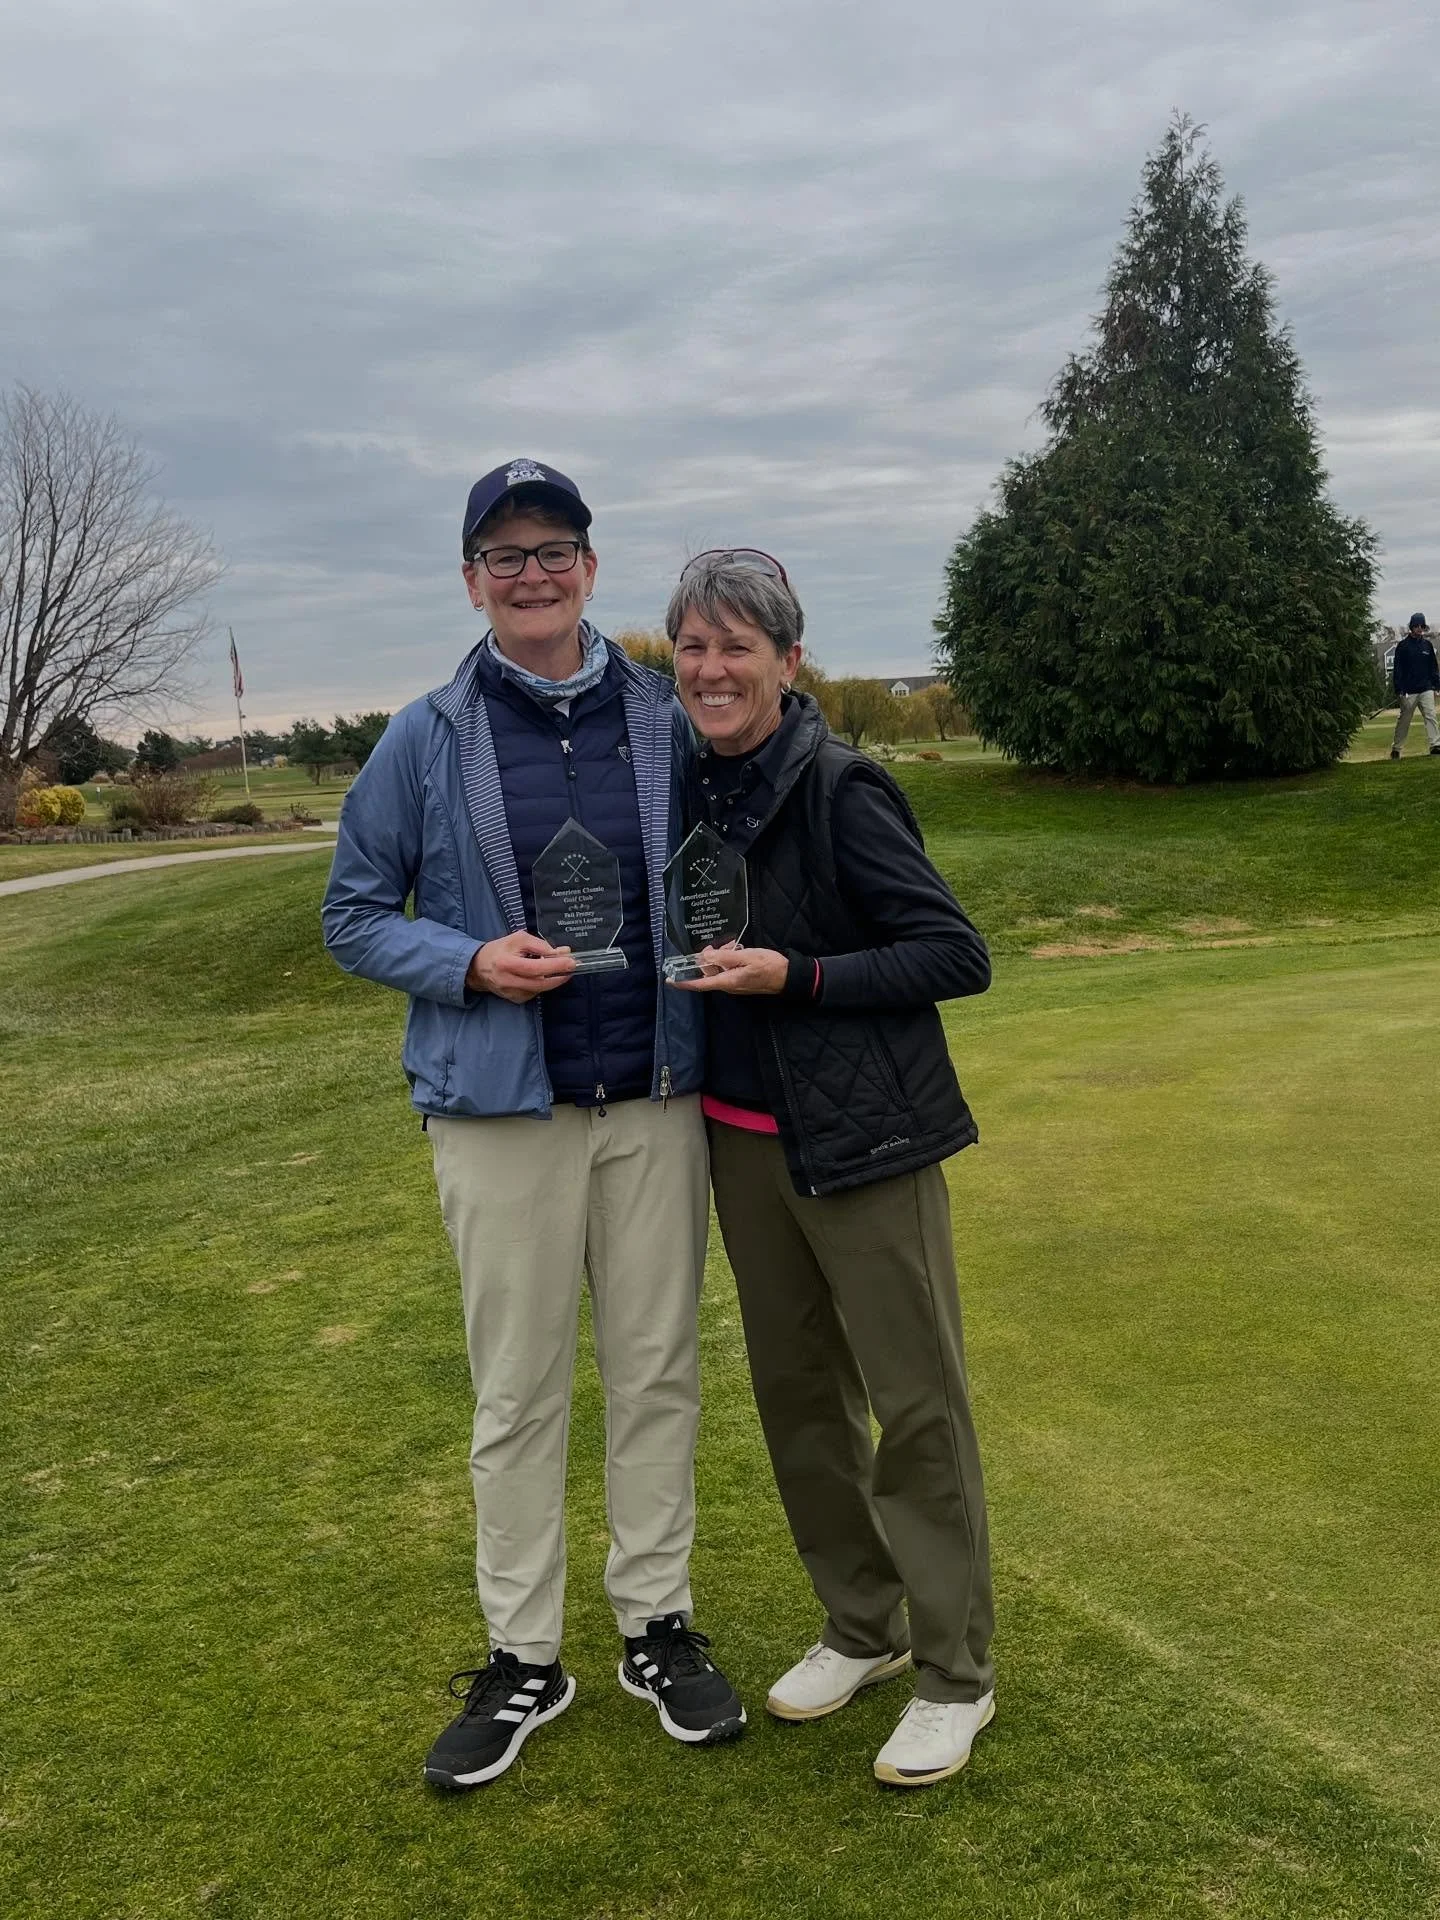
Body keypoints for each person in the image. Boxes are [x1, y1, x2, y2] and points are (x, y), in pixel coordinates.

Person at [322, 461, 744, 1790]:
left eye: (552, 548)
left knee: (657, 1371)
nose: (531, 573)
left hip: (653, 1101)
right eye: (503, 554)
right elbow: (352, 912)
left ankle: (655, 1626)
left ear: (590, 568)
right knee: (516, 1394)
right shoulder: (423, 735)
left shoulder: (668, 718)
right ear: (471, 580)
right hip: (504, 1113)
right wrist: (467, 963)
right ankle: (524, 1658)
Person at [664, 549, 995, 1788]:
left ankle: (957, 1670)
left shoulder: (845, 786)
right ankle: (863, 1626)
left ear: (788, 662)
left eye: (737, 645)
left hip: (869, 1148)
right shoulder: (689, 786)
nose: (712, 668)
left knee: (915, 1406)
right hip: (742, 1148)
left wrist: (795, 978)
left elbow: (953, 954)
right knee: (801, 1401)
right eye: (693, 646)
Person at [1390, 613, 1440, 760]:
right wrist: (1399, 689)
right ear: (1411, 627)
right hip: (1408, 691)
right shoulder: (1403, 646)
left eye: (1422, 626)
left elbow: (1433, 668)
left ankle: (1435, 745)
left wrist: (1437, 684)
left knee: (1431, 715)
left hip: (1426, 688)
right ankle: (1396, 748)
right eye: (1417, 626)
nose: (1419, 629)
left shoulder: (1427, 646)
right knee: (1404, 720)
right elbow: (1398, 669)